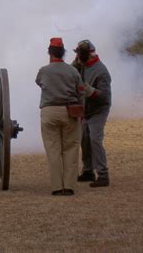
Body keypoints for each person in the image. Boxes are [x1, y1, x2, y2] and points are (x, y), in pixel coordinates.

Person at [36, 37, 84, 196]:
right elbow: (80, 91)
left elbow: (39, 82)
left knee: (53, 150)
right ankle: (69, 186)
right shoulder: (73, 71)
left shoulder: (43, 70)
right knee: (70, 149)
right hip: (69, 111)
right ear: (63, 52)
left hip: (49, 112)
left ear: (50, 52)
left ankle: (56, 187)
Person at [73, 40, 112, 187]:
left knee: (95, 139)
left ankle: (103, 175)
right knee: (84, 139)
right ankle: (88, 171)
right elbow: (71, 72)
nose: (78, 56)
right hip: (87, 109)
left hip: (99, 109)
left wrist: (90, 91)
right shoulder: (80, 64)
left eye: (80, 54)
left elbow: (104, 97)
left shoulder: (101, 71)